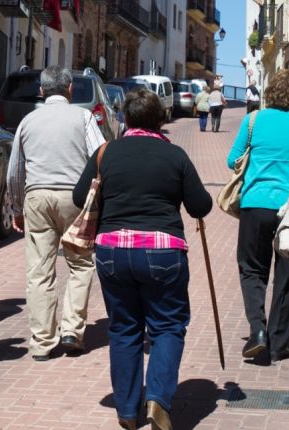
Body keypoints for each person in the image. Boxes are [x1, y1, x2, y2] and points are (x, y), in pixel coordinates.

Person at [74, 88, 212, 430]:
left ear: (126, 118)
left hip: (112, 251)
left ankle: (127, 409)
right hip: (163, 251)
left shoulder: (106, 153)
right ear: (160, 119)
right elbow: (201, 206)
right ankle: (158, 401)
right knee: (167, 326)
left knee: (124, 328)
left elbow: (80, 197)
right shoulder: (175, 156)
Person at [5, 65, 105, 362]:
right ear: (70, 88)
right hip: (75, 197)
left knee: (39, 270)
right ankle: (72, 329)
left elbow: (15, 171)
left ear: (41, 90)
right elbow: (99, 155)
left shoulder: (28, 121)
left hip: (37, 196)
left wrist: (17, 206)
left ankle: (41, 341)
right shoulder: (83, 116)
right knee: (80, 264)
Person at [226, 70, 289, 364]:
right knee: (288, 272)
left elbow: (233, 160)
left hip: (255, 204)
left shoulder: (254, 120)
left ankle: (257, 330)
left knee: (252, 269)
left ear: (271, 93)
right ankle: (279, 341)